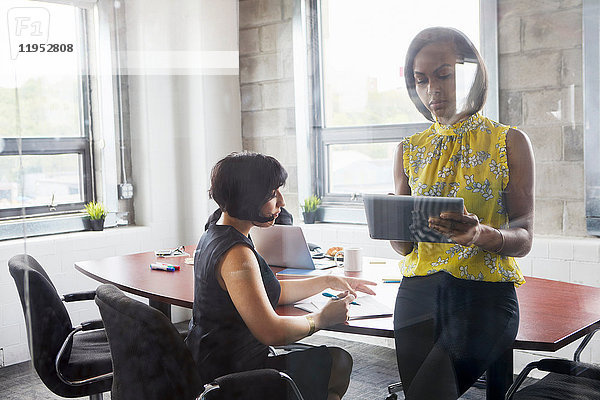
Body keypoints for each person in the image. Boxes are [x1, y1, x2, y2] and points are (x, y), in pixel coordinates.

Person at [391, 27, 534, 399]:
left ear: (472, 73)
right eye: (421, 80)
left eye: (444, 74)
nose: (431, 90)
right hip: (417, 294)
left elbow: (524, 240)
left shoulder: (509, 142)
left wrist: (479, 235)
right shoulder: (408, 149)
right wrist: (388, 218)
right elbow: (404, 248)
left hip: (484, 294)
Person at [185, 151, 377, 400]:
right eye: (272, 194)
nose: (282, 201)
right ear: (248, 197)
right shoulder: (236, 253)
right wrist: (320, 319)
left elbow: (265, 293)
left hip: (212, 358)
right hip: (231, 373)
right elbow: (271, 332)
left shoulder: (218, 231)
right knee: (337, 362)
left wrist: (328, 280)